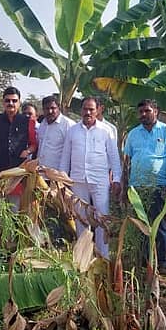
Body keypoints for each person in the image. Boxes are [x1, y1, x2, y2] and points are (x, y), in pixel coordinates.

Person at [59, 97, 122, 258]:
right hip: (78, 180)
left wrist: (116, 179)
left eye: (91, 109)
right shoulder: (73, 130)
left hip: (100, 180)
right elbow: (66, 156)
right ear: (81, 110)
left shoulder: (106, 130)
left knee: (101, 218)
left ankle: (103, 257)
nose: (88, 112)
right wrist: (62, 180)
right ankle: (82, 257)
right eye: (85, 109)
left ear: (97, 110)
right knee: (81, 219)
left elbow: (114, 157)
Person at [123, 99, 166, 273]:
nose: (143, 115)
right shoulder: (133, 134)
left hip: (159, 186)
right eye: (140, 112)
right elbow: (127, 162)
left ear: (156, 111)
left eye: (147, 111)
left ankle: (162, 263)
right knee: (140, 226)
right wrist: (124, 187)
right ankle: (143, 261)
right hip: (137, 187)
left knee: (159, 225)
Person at [0, 86, 37, 186]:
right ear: (3, 102)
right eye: (7, 100)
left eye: (14, 101)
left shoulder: (28, 122)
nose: (11, 103)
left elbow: (34, 144)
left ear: (19, 103)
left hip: (18, 173)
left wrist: (27, 151)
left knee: (16, 201)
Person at [36, 95, 72, 171]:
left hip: (57, 174)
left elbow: (71, 152)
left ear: (59, 108)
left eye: (53, 108)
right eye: (47, 108)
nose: (50, 111)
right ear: (43, 109)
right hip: (40, 172)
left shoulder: (68, 125)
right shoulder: (43, 123)